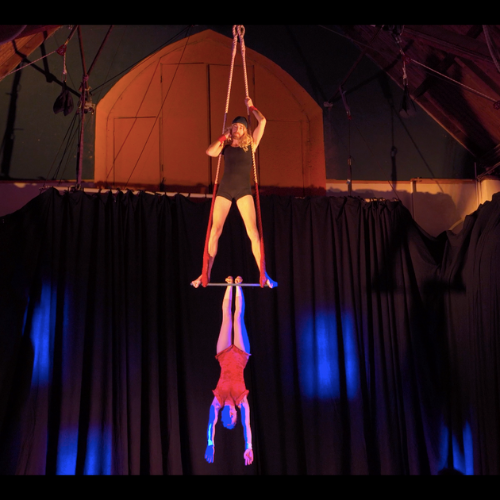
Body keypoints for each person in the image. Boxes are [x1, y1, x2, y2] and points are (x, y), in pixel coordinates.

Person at [191, 97, 277, 289]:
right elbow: (210, 152)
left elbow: (263, 121)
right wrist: (223, 137)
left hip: (243, 191)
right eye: (234, 126)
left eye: (240, 126)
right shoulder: (226, 146)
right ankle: (204, 274)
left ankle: (263, 274)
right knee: (215, 231)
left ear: (245, 130)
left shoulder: (251, 144)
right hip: (225, 190)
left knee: (253, 232)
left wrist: (251, 107)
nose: (237, 128)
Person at [204, 276, 254, 466]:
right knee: (238, 318)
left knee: (226, 317)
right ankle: (237, 286)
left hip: (224, 355)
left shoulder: (218, 401)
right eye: (234, 418)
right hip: (241, 355)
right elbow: (246, 425)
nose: (232, 415)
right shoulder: (242, 401)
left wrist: (210, 443)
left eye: (229, 418)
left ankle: (228, 285)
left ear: (224, 416)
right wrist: (248, 446)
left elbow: (211, 423)